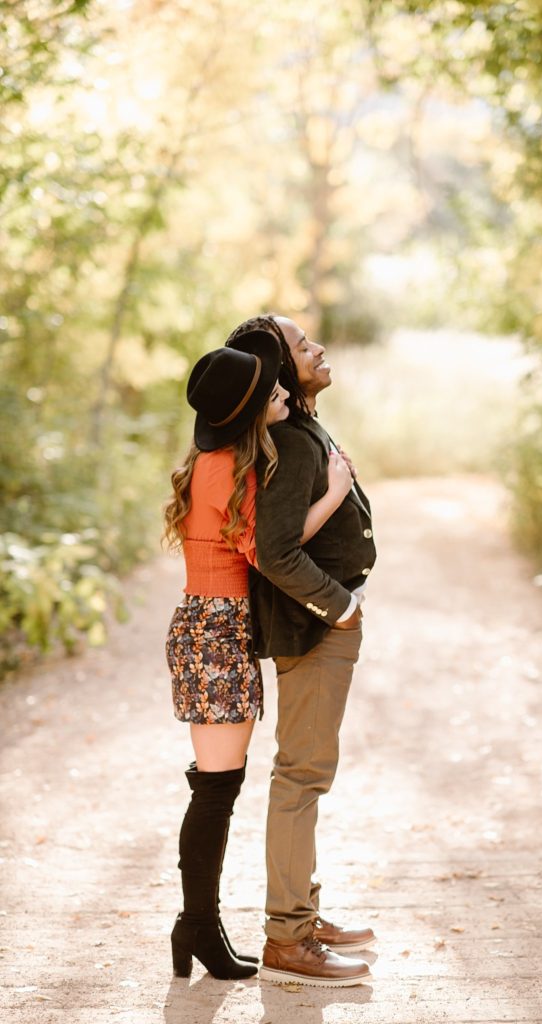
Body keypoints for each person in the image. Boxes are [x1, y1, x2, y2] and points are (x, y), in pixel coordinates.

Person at [162, 331, 353, 981]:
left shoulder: (218, 461)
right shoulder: (224, 469)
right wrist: (334, 492)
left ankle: (200, 926)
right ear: (248, 410)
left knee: (218, 787)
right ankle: (197, 926)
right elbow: (272, 552)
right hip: (214, 632)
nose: (280, 392)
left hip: (217, 629)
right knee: (215, 790)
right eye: (268, 391)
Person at [226, 315, 378, 988]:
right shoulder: (290, 440)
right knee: (301, 776)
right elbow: (275, 551)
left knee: (306, 773)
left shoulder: (302, 426)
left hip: (324, 626)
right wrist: (340, 607)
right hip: (315, 629)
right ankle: (288, 937)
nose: (318, 349)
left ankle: (302, 916)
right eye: (303, 345)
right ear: (282, 369)